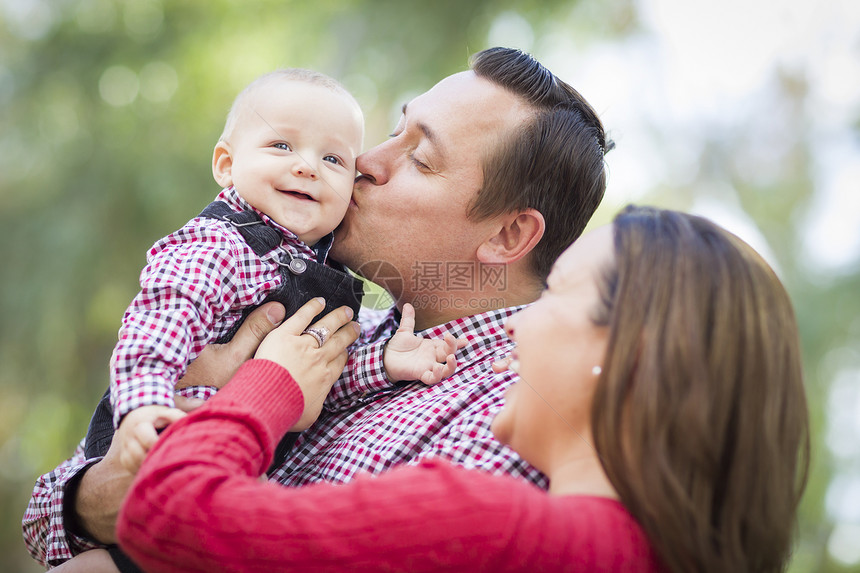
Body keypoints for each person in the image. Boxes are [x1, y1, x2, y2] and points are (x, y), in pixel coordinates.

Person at [23, 47, 611, 568]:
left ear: (509, 236)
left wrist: (260, 390)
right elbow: (46, 518)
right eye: (392, 131)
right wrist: (99, 492)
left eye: (421, 159)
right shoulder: (320, 322)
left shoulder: (513, 419)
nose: (365, 163)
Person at [111, 206, 810, 572]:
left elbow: (167, 512)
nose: (520, 326)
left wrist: (269, 380)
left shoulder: (497, 528)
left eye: (556, 294)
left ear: (626, 358)